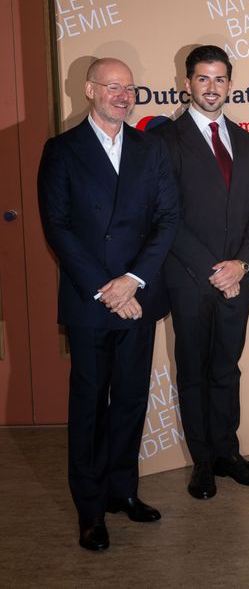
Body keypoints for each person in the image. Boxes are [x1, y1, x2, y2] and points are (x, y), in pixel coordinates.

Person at [38, 58, 178, 551]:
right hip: (91, 300)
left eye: (130, 88)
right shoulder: (62, 150)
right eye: (112, 87)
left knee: (132, 401)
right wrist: (107, 289)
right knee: (90, 405)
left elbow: (167, 218)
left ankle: (124, 492)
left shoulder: (151, 148)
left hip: (138, 298)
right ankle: (90, 509)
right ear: (90, 89)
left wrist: (133, 281)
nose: (123, 95)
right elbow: (59, 227)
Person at [154, 45, 249, 500]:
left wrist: (241, 264)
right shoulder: (166, 140)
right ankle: (202, 461)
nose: (211, 87)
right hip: (189, 279)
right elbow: (166, 215)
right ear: (188, 84)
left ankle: (228, 452)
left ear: (229, 83)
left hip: (237, 279)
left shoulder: (245, 143)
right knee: (194, 370)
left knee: (226, 368)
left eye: (219, 79)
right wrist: (212, 269)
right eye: (202, 79)